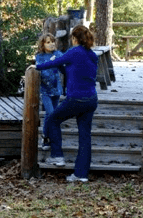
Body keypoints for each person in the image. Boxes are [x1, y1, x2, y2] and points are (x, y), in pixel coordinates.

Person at [35, 25, 98, 183]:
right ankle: (81, 174)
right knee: (85, 136)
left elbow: (55, 62)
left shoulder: (74, 51)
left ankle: (57, 155)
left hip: (76, 99)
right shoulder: (92, 55)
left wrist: (35, 66)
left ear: (74, 39)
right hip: (91, 99)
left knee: (53, 119)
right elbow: (72, 69)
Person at [35, 33, 64, 150]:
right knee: (51, 114)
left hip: (56, 89)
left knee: (49, 115)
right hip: (45, 90)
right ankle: (50, 137)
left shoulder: (57, 54)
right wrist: (51, 62)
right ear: (43, 44)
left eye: (53, 42)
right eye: (48, 42)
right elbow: (40, 69)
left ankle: (46, 137)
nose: (51, 44)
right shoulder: (40, 56)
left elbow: (66, 61)